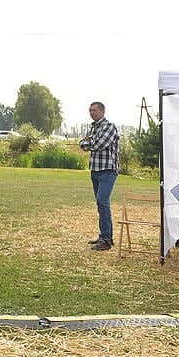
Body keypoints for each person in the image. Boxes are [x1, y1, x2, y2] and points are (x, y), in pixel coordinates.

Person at [79, 101, 119, 251]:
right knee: (100, 204)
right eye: (90, 110)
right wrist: (86, 142)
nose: (92, 113)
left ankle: (106, 240)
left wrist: (88, 142)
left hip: (107, 170)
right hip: (95, 170)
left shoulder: (109, 127)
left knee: (103, 202)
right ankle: (104, 235)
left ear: (102, 111)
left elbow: (98, 145)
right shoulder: (93, 128)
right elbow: (82, 144)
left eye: (94, 110)